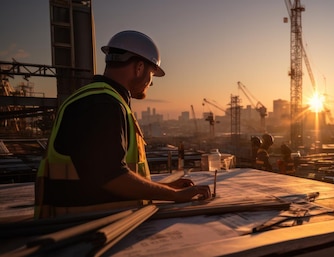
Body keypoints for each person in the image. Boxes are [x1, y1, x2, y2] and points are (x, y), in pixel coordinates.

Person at [34, 30, 210, 219]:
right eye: (151, 74)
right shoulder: (102, 105)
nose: (150, 84)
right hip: (80, 231)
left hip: (90, 224)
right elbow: (112, 176)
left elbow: (104, 171)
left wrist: (165, 187)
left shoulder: (99, 99)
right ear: (139, 68)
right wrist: (174, 195)